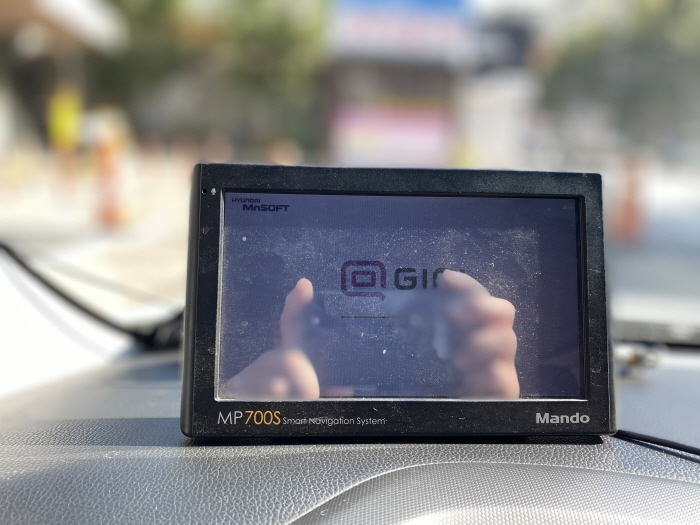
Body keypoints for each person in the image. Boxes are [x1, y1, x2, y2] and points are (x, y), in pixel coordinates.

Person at [222, 270, 519, 399]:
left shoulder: (447, 377)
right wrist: (241, 409)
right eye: (330, 324)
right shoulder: (270, 379)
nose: (397, 335)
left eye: (413, 325)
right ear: (279, 333)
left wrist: (486, 417)